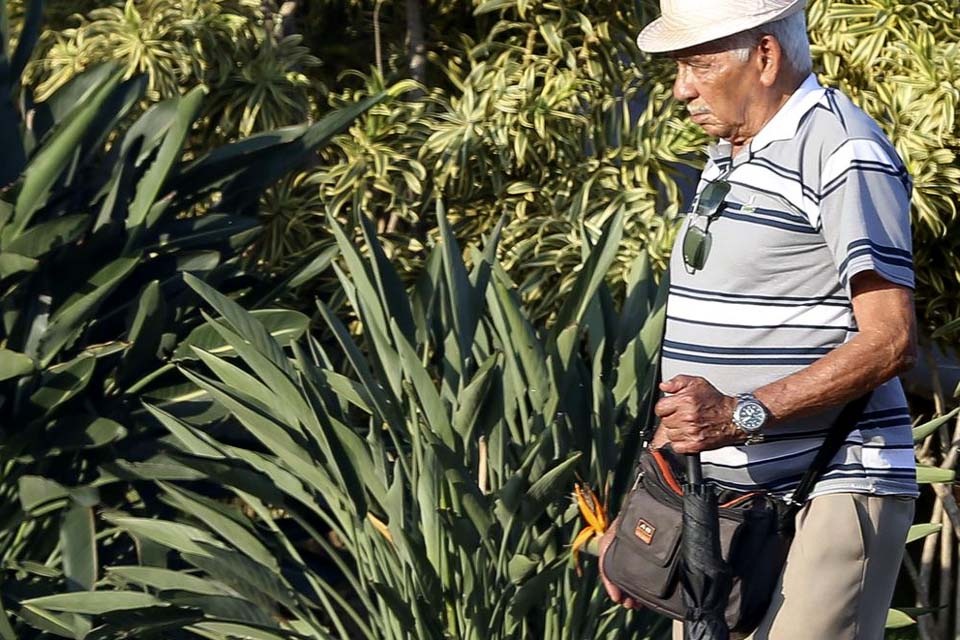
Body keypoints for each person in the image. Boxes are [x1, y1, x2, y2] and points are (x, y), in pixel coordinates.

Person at [598, 1, 918, 638]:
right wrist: (646, 504)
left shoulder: (843, 151)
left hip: (832, 483)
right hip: (721, 501)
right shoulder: (732, 150)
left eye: (699, 65)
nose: (681, 89)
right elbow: (702, 353)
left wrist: (739, 415)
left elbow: (892, 340)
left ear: (766, 56)